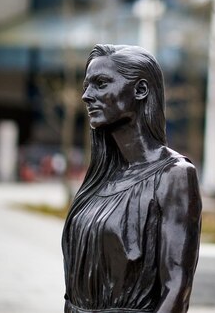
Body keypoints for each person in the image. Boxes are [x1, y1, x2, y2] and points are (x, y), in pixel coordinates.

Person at [62, 44, 201, 313]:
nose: (86, 96)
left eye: (101, 83)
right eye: (86, 85)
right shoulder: (101, 178)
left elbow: (176, 289)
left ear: (140, 90)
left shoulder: (174, 176)